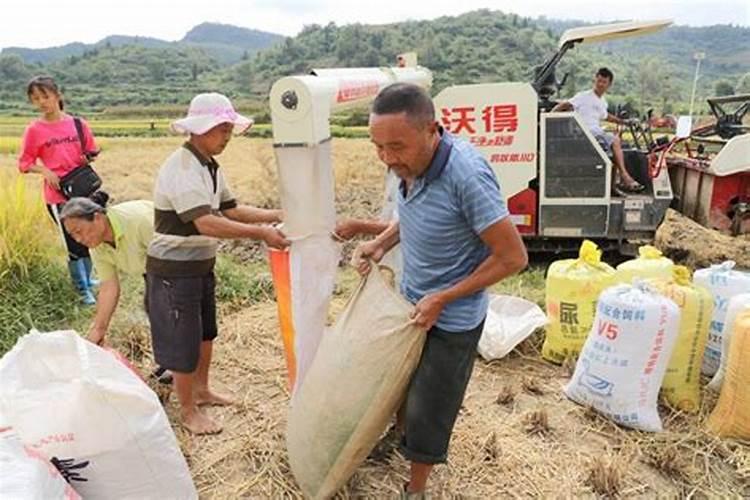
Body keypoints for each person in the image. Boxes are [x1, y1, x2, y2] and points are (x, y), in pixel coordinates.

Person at [352, 83, 528, 498]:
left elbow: (512, 257)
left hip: (450, 318)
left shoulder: (466, 175)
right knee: (400, 382)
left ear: (433, 129)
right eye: (378, 147)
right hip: (412, 304)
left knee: (431, 403)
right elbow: (412, 214)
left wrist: (444, 298)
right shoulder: (407, 166)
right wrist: (380, 243)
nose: (388, 158)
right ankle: (398, 437)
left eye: (396, 147)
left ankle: (416, 486)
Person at [146, 92, 289, 435]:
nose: (226, 136)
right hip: (173, 272)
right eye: (221, 129)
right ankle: (188, 412)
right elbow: (205, 222)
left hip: (200, 266)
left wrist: (279, 214)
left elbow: (231, 209)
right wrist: (262, 234)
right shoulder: (182, 166)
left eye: (228, 129)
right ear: (200, 129)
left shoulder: (208, 165)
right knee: (183, 341)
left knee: (205, 333)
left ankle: (202, 390)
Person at [58, 197, 172, 383]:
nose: (79, 240)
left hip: (180, 259)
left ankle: (184, 368)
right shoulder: (97, 245)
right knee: (154, 309)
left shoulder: (140, 221)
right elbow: (109, 286)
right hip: (153, 269)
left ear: (97, 218)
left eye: (79, 231)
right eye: (73, 236)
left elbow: (174, 257)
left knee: (173, 311)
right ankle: (169, 363)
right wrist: (98, 330)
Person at [17, 76, 102, 305]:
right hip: (58, 196)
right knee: (72, 240)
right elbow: (23, 163)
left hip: (83, 191)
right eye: (36, 99)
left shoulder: (78, 124)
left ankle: (90, 280)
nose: (42, 102)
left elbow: (91, 150)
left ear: (57, 95)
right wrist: (45, 171)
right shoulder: (34, 130)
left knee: (89, 237)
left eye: (45, 96)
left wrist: (88, 156)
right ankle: (81, 289)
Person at [552, 67, 645, 193]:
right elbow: (564, 105)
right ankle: (625, 176)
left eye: (604, 82)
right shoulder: (583, 96)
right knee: (615, 140)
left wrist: (624, 122)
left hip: (595, 133)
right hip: (585, 133)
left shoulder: (602, 102)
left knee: (615, 151)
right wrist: (548, 116)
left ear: (609, 85)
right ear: (595, 80)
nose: (600, 84)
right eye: (598, 81)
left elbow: (606, 116)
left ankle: (612, 188)